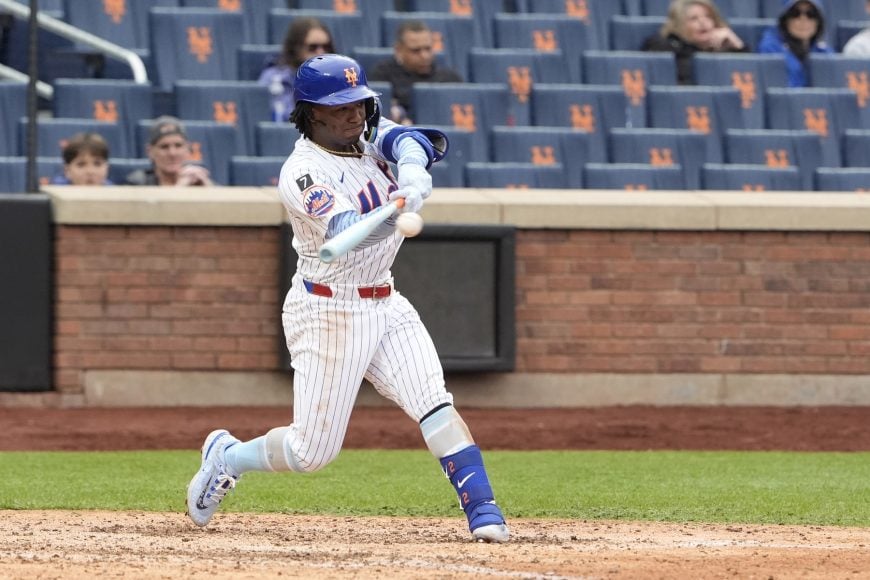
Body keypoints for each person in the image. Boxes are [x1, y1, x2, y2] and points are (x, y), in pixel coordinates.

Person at [186, 53, 510, 544]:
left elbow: (411, 139)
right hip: (328, 309)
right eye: (339, 107)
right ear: (311, 113)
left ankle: (483, 510)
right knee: (310, 453)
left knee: (434, 403)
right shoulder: (303, 172)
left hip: (386, 300)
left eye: (358, 103)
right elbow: (347, 233)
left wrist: (413, 171)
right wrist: (394, 209)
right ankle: (228, 456)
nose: (353, 114)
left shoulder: (364, 136)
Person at [369, 20, 463, 125]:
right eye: (416, 50)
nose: (424, 56)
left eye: (428, 49)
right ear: (399, 50)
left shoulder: (450, 78)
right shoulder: (383, 76)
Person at [641, 0, 748, 85]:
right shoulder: (664, 47)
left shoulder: (726, 48)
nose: (703, 22)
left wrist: (738, 45)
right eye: (693, 19)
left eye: (708, 16)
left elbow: (748, 77)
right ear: (678, 25)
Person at [258, 17, 334, 122]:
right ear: (297, 48)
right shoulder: (274, 77)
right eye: (312, 48)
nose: (321, 53)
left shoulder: (337, 80)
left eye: (326, 47)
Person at [757, 0, 832, 87]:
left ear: (818, 21)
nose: (803, 19)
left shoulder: (823, 51)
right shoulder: (771, 48)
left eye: (811, 14)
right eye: (795, 13)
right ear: (785, 19)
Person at [124, 116, 214, 186]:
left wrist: (209, 189)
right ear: (150, 151)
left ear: (188, 149)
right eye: (164, 147)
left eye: (178, 146)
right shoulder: (138, 183)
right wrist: (180, 188)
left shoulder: (197, 180)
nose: (172, 153)